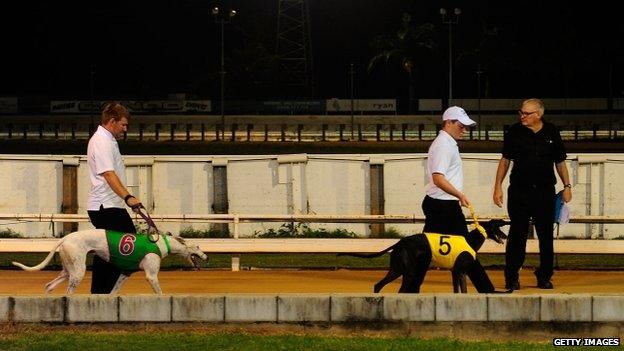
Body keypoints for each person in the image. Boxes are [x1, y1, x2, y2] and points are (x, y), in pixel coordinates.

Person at [493, 98, 572, 290]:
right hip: (520, 191)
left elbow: (560, 162)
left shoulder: (552, 132)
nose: (522, 116)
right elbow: (505, 160)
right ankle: (512, 276)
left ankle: (544, 275)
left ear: (538, 114)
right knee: (517, 235)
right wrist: (497, 186)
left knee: (546, 236)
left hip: (545, 192)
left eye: (526, 113)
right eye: (520, 112)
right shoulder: (514, 131)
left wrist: (567, 186)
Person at [87, 102, 143, 294]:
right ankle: (102, 296)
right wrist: (128, 197)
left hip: (111, 205)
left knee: (111, 252)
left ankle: (100, 296)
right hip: (105, 206)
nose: (125, 129)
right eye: (123, 125)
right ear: (112, 121)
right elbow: (109, 175)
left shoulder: (108, 140)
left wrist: (125, 200)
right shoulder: (101, 141)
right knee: (126, 249)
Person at [422, 106, 476, 236]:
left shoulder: (447, 143)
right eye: (461, 126)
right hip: (443, 204)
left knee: (432, 249)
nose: (464, 130)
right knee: (464, 249)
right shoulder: (444, 145)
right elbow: (438, 179)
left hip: (441, 203)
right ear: (448, 123)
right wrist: (460, 195)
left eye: (465, 127)